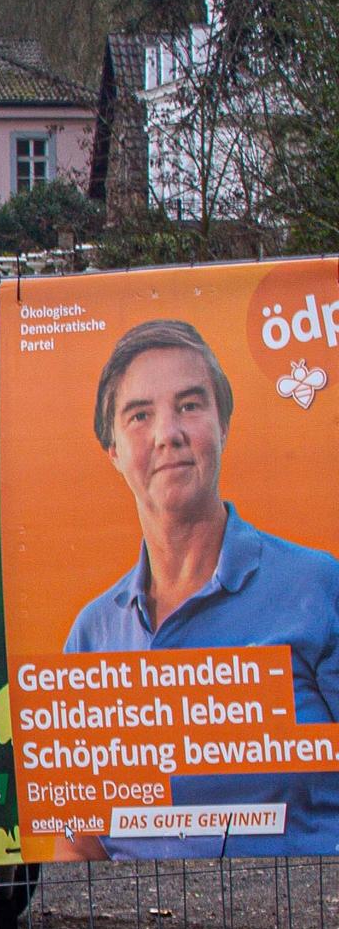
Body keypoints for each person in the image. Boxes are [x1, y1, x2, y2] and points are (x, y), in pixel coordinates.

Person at [63, 317, 339, 857]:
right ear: (113, 450)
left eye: (190, 405)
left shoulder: (316, 586)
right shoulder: (93, 635)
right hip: (137, 911)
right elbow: (79, 840)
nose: (167, 433)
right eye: (139, 415)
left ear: (223, 425)